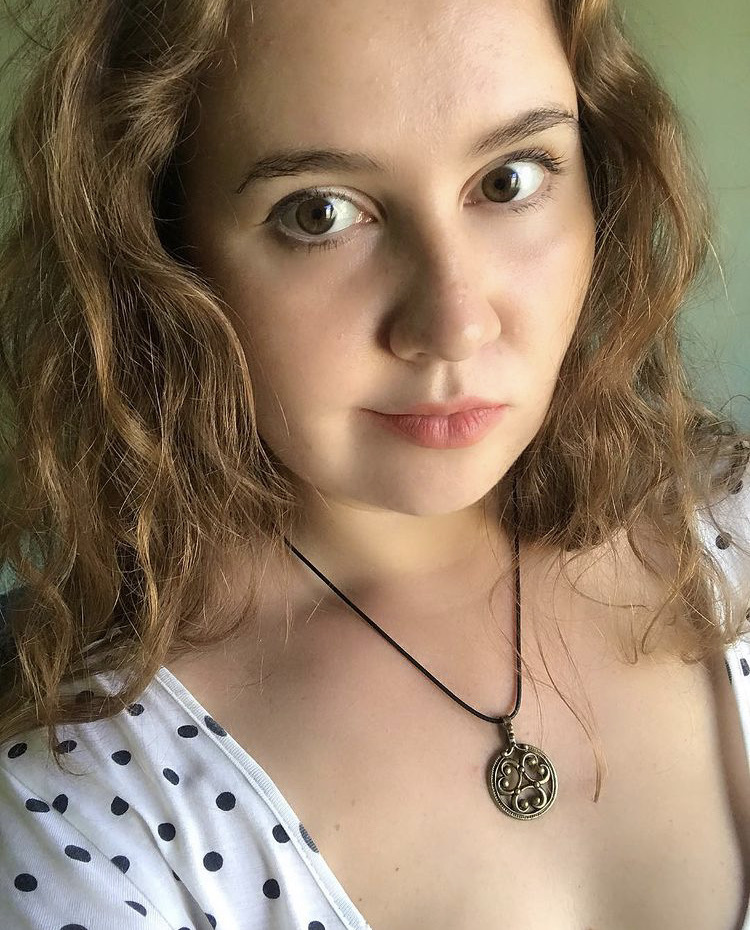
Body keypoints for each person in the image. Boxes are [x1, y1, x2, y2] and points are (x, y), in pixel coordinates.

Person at [0, 0, 748, 927]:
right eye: (318, 213)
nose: (454, 323)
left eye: (510, 179)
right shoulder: (75, 801)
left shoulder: (733, 524)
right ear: (163, 250)